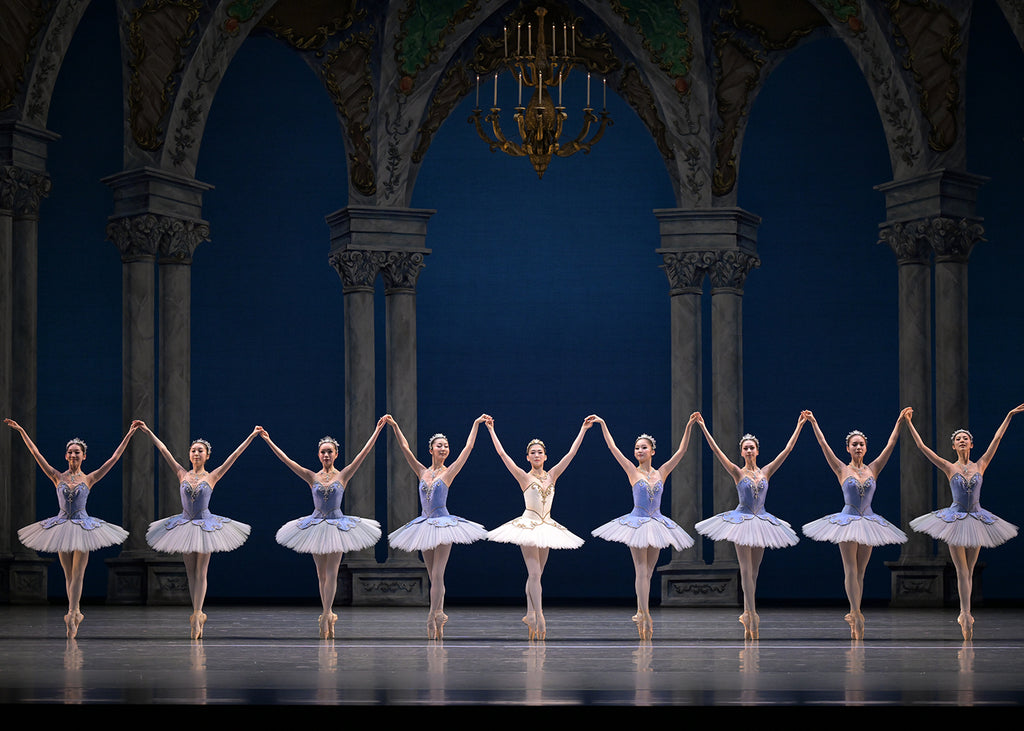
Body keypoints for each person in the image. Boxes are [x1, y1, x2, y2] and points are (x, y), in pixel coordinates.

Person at [7, 418, 139, 638]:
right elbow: (35, 452)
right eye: (70, 452)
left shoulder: (89, 478)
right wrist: (21, 431)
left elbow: (114, 458)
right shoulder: (56, 476)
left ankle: (71, 613)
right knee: (68, 575)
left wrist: (129, 434)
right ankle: (76, 611)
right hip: (61, 526)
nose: (73, 455)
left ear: (83, 456)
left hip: (83, 527)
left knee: (78, 573)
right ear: (66, 455)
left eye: (77, 452)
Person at [258, 417, 387, 639]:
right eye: (323, 452)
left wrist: (376, 431)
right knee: (320, 575)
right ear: (319, 455)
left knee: (332, 572)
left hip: (337, 525)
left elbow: (363, 455)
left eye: (329, 452)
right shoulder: (312, 476)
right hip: (316, 525)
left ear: (336, 454)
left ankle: (327, 614)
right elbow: (287, 461)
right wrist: (269, 441)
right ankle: (326, 613)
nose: (326, 455)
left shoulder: (343, 474)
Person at [904, 404, 1023, 640]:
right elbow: (921, 447)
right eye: (958, 439)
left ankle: (966, 613)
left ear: (971, 444)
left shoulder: (981, 464)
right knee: (961, 570)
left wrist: (1009, 414)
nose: (961, 441)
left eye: (965, 438)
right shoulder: (949, 467)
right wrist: (908, 422)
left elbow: (997, 439)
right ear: (953, 445)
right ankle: (965, 614)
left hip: (977, 518)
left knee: (969, 570)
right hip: (955, 519)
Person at [137, 422, 260, 639]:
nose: (196, 453)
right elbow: (164, 451)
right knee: (190, 572)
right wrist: (148, 432)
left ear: (207, 455)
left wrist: (251, 436)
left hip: (205, 525)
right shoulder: (181, 473)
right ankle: (196, 613)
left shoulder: (212, 476)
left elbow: (235, 455)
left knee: (201, 571)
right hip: (184, 525)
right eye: (193, 450)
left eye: (200, 451)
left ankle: (197, 613)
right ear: (189, 454)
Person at [694, 412, 807, 640]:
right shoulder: (737, 472)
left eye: (751, 448)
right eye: (745, 448)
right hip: (743, 520)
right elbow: (717, 452)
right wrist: (704, 427)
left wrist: (799, 426)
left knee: (754, 572)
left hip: (762, 520)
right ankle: (752, 614)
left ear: (757, 451)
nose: (748, 451)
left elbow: (787, 450)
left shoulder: (766, 471)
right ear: (742, 452)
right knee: (745, 570)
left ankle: (747, 613)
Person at [801, 409, 910, 639]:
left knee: (861, 571)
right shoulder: (842, 468)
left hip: (869, 520)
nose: (858, 447)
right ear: (848, 448)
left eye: (861, 444)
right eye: (854, 444)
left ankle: (855, 613)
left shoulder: (874, 468)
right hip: (848, 520)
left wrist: (899, 421)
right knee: (850, 568)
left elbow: (891, 444)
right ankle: (856, 613)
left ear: (866, 448)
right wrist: (814, 422)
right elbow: (823, 445)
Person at [590, 413, 699, 641]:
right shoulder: (632, 470)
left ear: (652, 451)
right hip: (638, 523)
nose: (639, 451)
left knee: (648, 573)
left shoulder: (662, 472)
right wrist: (603, 423)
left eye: (643, 448)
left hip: (657, 522)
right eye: (637, 448)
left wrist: (689, 425)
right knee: (641, 570)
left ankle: (641, 610)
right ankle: (645, 614)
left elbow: (681, 452)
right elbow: (613, 449)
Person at [485, 415, 595, 640]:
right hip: (528, 525)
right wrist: (491, 430)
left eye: (539, 452)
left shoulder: (552, 475)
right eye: (532, 452)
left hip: (547, 527)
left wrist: (583, 430)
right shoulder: (523, 477)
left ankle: (529, 614)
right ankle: (540, 616)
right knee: (534, 574)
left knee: (536, 576)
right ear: (527, 457)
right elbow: (502, 455)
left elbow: (571, 454)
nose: (536, 455)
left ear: (545, 456)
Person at [386, 414, 489, 639]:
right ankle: (438, 614)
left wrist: (475, 424)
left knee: (439, 573)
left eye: (446, 446)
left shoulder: (448, 472)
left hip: (443, 524)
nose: (443, 448)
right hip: (424, 524)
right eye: (439, 446)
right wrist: (394, 426)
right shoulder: (422, 471)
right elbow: (404, 449)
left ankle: (433, 615)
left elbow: (468, 448)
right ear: (431, 449)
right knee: (432, 575)